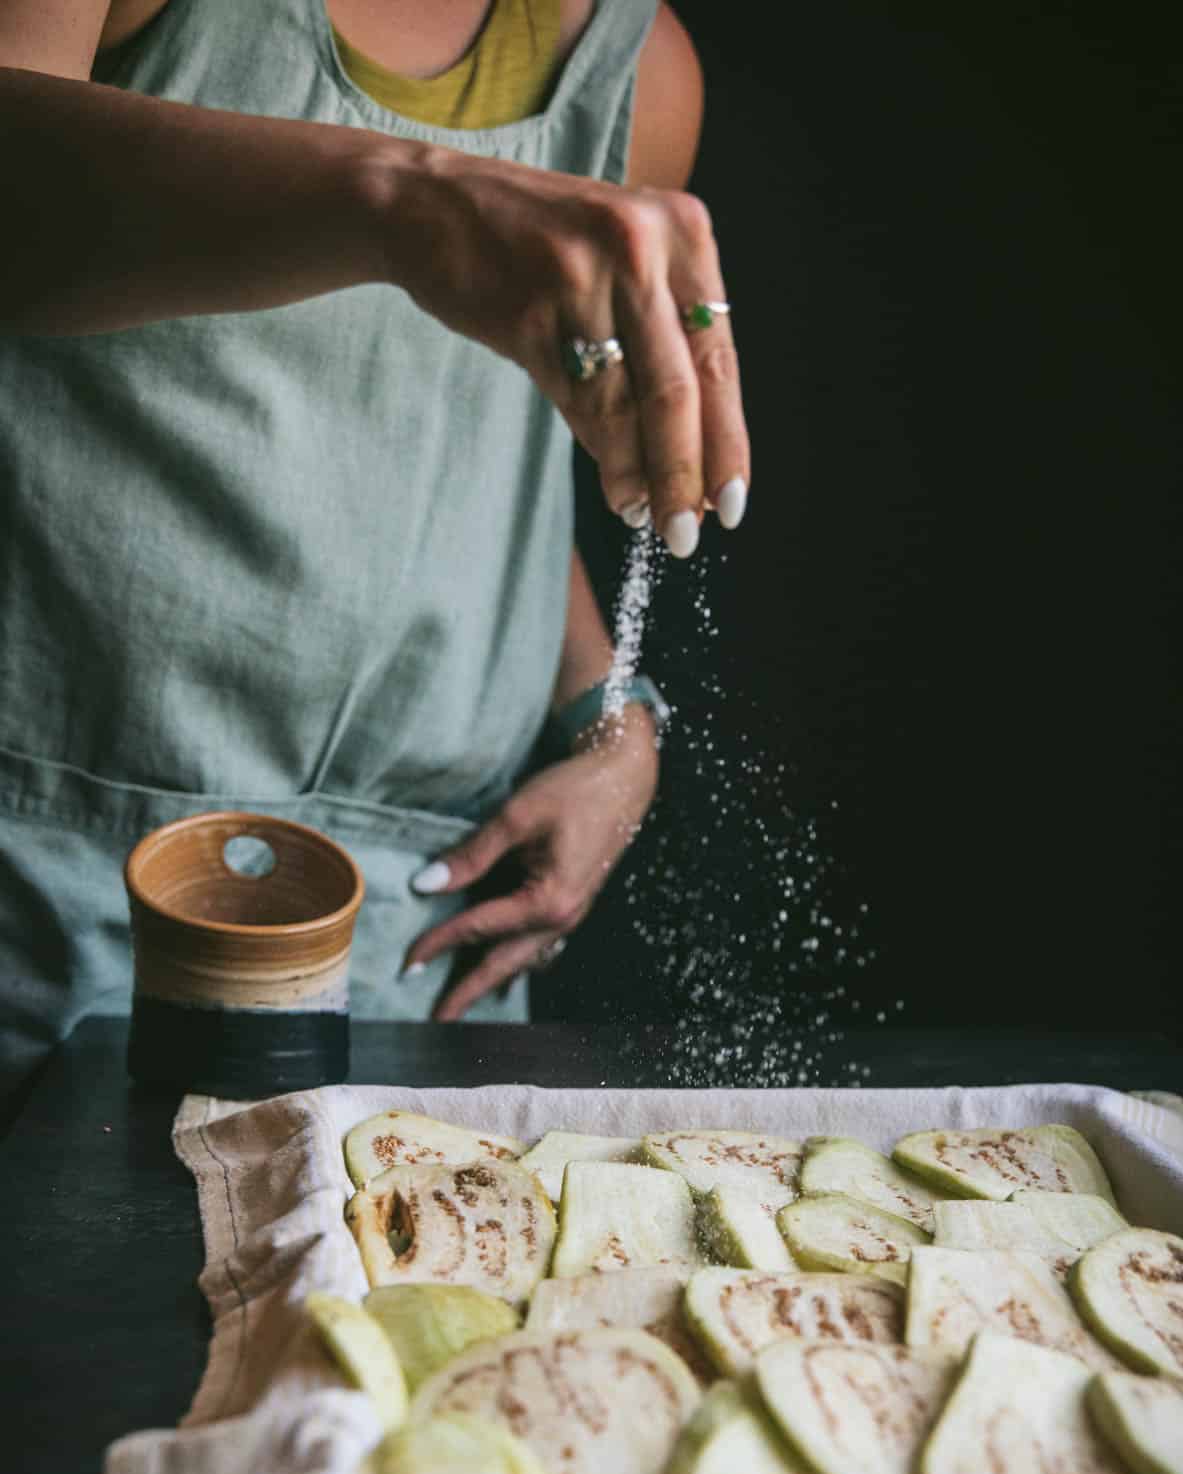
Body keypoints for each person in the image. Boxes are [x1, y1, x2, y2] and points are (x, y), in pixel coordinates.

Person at [0, 0, 750, 1109]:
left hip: (412, 941)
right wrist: (403, 203)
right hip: (52, 881)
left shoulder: (645, 65)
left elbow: (487, 469)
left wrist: (615, 718)